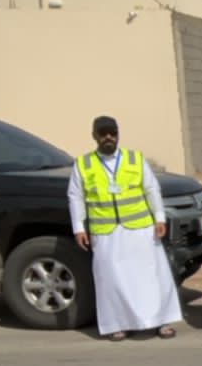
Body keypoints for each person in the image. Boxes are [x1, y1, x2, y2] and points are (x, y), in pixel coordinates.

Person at [66, 115, 182, 341]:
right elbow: (75, 197)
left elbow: (151, 189)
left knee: (150, 276)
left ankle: (160, 321)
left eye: (113, 133)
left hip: (140, 229)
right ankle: (118, 324)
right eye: (103, 133)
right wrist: (79, 228)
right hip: (105, 232)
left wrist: (159, 218)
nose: (109, 137)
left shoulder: (134, 158)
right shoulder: (83, 164)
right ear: (94, 136)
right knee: (111, 279)